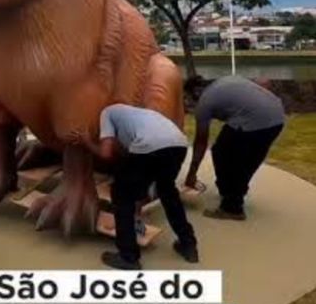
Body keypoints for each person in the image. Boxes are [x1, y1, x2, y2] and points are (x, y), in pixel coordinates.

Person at [73, 104, 198, 269]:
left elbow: (106, 153)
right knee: (167, 192)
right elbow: (139, 167)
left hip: (149, 145)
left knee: (121, 194)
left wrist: (86, 141)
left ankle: (128, 257)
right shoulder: (140, 114)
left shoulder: (106, 112)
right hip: (179, 144)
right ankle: (188, 245)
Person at [184, 75, 286, 221]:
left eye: (188, 98)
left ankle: (231, 207)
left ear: (196, 93)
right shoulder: (223, 81)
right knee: (246, 158)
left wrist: (191, 174)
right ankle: (232, 193)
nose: (189, 103)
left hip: (254, 119)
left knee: (227, 155)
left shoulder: (204, 101)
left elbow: (201, 142)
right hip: (277, 117)